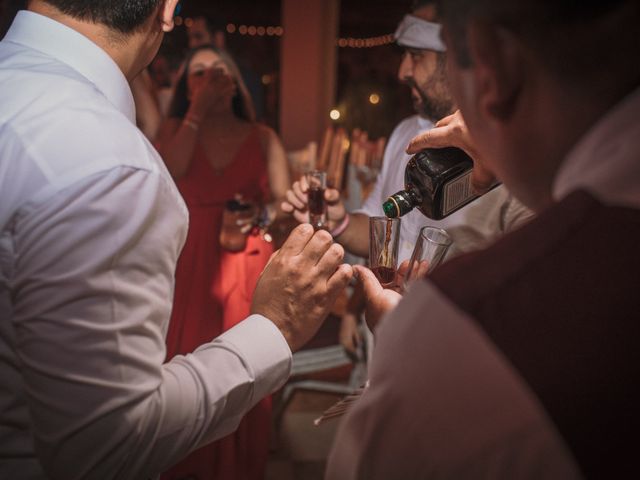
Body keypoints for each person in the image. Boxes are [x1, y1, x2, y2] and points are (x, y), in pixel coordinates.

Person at [0, 2, 352, 479]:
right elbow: (106, 448)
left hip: (240, 263)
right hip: (194, 269)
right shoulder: (112, 164)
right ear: (167, 10)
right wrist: (275, 326)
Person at [326, 0, 640, 477]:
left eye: (436, 52)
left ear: (491, 68)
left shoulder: (461, 327)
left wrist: (405, 340)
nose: (402, 72)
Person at [282, 0, 532, 355]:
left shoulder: (509, 153)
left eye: (417, 56)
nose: (402, 71)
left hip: (458, 358)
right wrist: (337, 222)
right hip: (386, 345)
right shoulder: (404, 135)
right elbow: (379, 224)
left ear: (462, 59)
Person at [155, 44, 291, 480]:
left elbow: (282, 207)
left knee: (245, 366)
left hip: (245, 262)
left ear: (234, 81)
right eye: (197, 73)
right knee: (183, 365)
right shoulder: (175, 128)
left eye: (218, 70)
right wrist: (195, 112)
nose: (209, 79)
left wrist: (261, 215)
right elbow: (170, 169)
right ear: (185, 86)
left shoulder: (263, 136)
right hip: (186, 263)